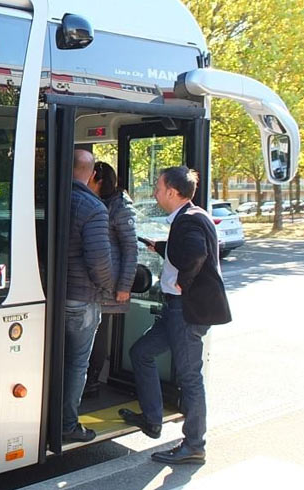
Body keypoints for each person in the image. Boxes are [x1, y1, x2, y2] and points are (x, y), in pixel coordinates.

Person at [120, 166, 231, 465]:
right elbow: (195, 249)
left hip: (185, 310)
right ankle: (153, 419)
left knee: (189, 378)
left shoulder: (189, 220)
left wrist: (184, 280)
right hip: (177, 310)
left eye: (158, 187)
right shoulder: (193, 216)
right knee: (141, 352)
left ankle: (194, 444)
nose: (155, 192)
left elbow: (196, 254)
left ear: (172, 191)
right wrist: (164, 248)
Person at [63, 149, 114, 443]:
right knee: (76, 364)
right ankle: (68, 424)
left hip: (52, 295)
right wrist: (107, 288)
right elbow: (99, 262)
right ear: (92, 174)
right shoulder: (93, 208)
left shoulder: (50, 196)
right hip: (82, 299)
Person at [86, 162, 137, 390]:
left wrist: (124, 286)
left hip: (109, 282)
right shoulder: (95, 203)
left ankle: (93, 380)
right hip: (93, 280)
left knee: (98, 333)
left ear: (96, 178)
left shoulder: (119, 207)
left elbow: (130, 248)